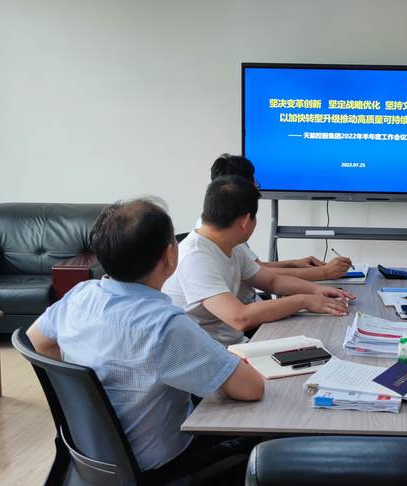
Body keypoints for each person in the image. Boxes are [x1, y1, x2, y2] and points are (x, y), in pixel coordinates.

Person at [25, 199, 264, 481]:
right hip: (159, 469)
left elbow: (36, 340)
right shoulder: (164, 325)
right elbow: (251, 388)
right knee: (263, 439)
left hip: (93, 458)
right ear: (169, 255)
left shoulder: (81, 295)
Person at [163, 175, 356, 346]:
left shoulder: (230, 245)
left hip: (235, 345)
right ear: (246, 221)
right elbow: (240, 318)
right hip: (211, 357)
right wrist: (304, 300)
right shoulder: (196, 257)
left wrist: (316, 290)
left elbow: (272, 281)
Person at [204, 153, 352, 281]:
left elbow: (257, 268)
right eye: (254, 184)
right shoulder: (208, 249)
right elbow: (263, 276)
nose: (257, 188)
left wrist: (294, 264)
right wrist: (324, 272)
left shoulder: (222, 227)